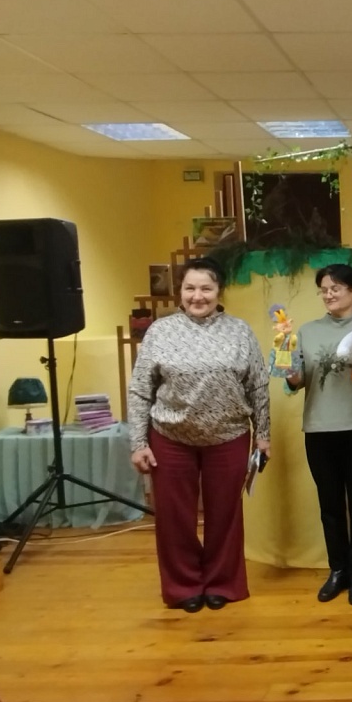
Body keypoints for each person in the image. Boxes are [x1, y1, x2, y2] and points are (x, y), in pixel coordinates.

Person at [128, 257, 270, 613]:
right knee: (175, 518)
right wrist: (138, 442)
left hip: (229, 436)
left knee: (226, 515)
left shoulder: (240, 331)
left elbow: (258, 386)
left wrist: (263, 435)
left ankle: (223, 583)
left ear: (219, 291)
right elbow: (141, 390)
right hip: (170, 437)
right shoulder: (160, 331)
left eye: (206, 288)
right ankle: (183, 586)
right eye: (190, 288)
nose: (197, 296)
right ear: (180, 291)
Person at [285, 264, 352, 606]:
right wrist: (287, 368)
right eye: (324, 289)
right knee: (329, 505)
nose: (329, 294)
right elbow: (297, 381)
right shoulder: (307, 331)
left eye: (336, 288)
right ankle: (338, 569)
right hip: (319, 429)